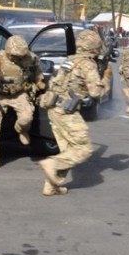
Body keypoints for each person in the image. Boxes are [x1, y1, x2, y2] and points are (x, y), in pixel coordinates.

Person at [36, 29, 110, 196]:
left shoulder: (70, 60)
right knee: (83, 148)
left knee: (68, 149)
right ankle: (52, 164)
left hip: (54, 107)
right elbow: (96, 93)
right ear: (94, 46)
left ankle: (52, 185)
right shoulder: (87, 64)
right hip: (66, 111)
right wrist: (106, 77)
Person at [0, 35, 44, 170]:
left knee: (26, 118)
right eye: (15, 56)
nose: (18, 59)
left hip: (19, 94)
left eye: (20, 56)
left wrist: (39, 83)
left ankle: (21, 130)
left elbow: (38, 74)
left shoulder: (31, 59)